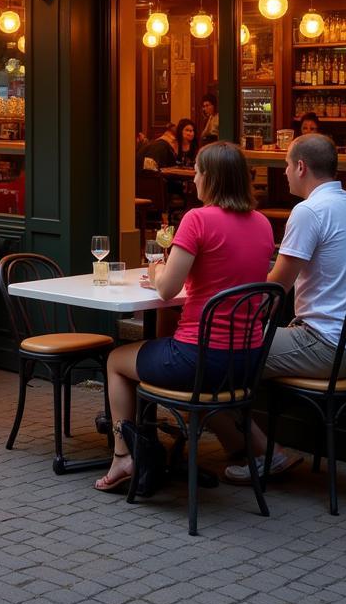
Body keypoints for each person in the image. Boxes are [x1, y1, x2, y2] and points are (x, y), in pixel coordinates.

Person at [95, 142, 275, 492]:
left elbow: (166, 289)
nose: (193, 178)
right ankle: (236, 449)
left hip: (200, 359)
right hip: (247, 360)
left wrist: (157, 267)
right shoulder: (263, 224)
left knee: (117, 359)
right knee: (165, 350)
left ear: (210, 178)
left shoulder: (197, 219)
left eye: (196, 171)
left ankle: (123, 456)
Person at [222, 132, 346, 483]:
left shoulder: (309, 211)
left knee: (218, 357)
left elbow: (277, 285)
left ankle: (268, 454)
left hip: (325, 347)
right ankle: (250, 448)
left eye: (285, 166)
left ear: (301, 166)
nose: (283, 174)